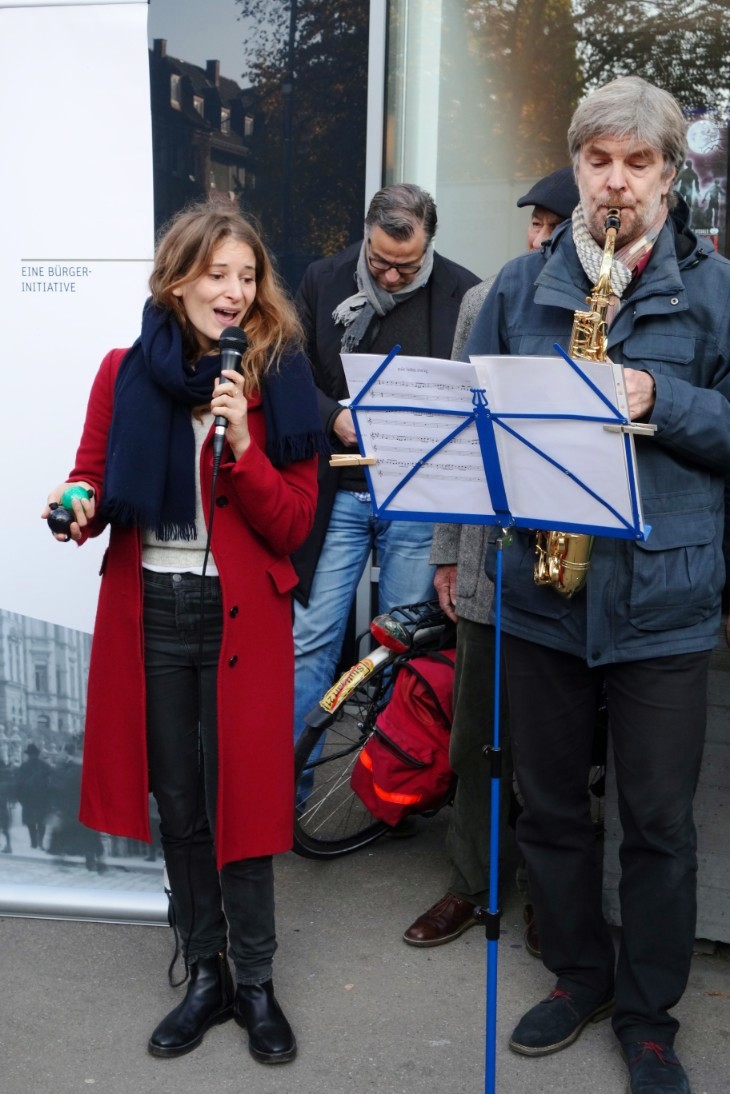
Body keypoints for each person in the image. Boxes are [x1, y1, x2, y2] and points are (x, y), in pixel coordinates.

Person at [463, 76, 730, 1094]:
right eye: (596, 161)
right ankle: (579, 972)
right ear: (575, 166)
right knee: (548, 809)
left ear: (668, 177)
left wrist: (661, 395)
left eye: (636, 163)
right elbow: (474, 427)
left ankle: (650, 1011)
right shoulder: (518, 287)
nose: (613, 181)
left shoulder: (715, 293)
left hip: (662, 597)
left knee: (657, 819)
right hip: (544, 590)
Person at [42, 201, 325, 1066]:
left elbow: (294, 524)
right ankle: (205, 973)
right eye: (217, 274)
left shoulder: (282, 379)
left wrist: (242, 438)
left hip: (243, 615)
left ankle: (259, 984)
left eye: (246, 276)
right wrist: (75, 507)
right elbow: (91, 482)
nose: (235, 291)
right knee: (180, 802)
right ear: (178, 278)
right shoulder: (124, 371)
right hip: (153, 611)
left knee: (240, 800)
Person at [403, 167, 579, 953]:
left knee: (557, 756)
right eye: (534, 222)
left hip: (563, 573)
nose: (538, 237)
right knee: (473, 737)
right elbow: (450, 437)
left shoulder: (599, 312)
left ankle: (552, 897)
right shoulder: (484, 301)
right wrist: (446, 555)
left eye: (553, 224)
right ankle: (471, 884)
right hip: (482, 564)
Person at [291, 183, 480, 745]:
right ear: (365, 235)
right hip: (339, 490)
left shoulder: (464, 292)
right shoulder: (323, 280)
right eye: (379, 264)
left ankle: (384, 788)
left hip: (419, 499)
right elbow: (289, 371)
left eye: (407, 266)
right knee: (311, 638)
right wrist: (331, 419)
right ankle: (291, 787)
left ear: (429, 244)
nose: (392, 278)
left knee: (405, 644)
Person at [14, 742, 51, 850]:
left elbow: (18, 784)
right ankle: (39, 842)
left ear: (29, 754)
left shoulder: (24, 766)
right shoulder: (45, 766)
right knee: (41, 821)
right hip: (42, 799)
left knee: (31, 822)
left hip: (29, 799)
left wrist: (21, 799)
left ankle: (34, 842)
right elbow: (51, 782)